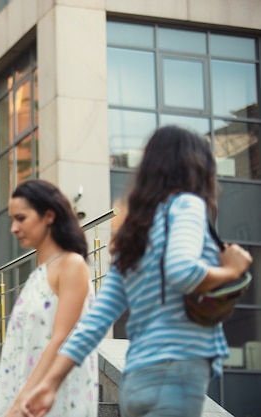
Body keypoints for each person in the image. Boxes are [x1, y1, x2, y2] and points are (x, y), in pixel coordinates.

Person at [21, 125, 254, 417]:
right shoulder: (187, 204)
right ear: (196, 165)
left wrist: (51, 382)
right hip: (178, 371)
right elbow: (182, 271)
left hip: (136, 382)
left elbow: (95, 322)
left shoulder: (134, 233)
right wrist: (231, 271)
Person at [0, 179, 98, 417]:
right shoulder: (37, 276)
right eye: (12, 220)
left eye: (21, 218)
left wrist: (18, 407)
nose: (13, 228)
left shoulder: (72, 264)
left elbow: (61, 337)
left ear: (48, 216)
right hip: (24, 393)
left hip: (49, 400)